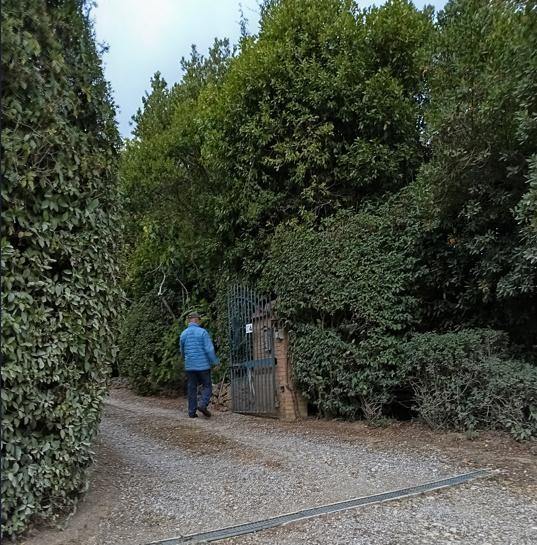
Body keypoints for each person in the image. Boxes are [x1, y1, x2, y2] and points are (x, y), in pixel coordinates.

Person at [179, 311, 219, 418]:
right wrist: (215, 362)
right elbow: (209, 349)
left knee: (192, 388)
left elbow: (182, 351)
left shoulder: (183, 334)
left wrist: (185, 360)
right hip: (203, 366)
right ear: (197, 320)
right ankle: (202, 404)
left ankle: (191, 412)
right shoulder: (203, 332)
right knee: (207, 385)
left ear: (189, 321)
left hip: (190, 366)